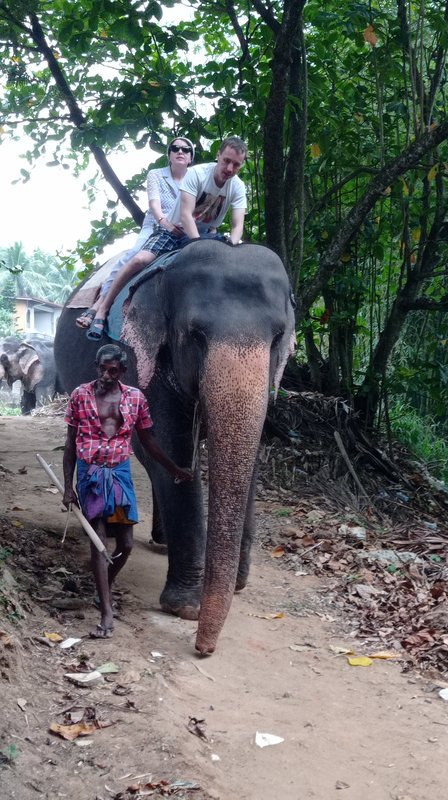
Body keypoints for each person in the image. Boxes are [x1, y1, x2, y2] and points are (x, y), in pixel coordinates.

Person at [62, 343, 192, 638]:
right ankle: (106, 613)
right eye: (101, 368)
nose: (106, 375)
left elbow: (148, 440)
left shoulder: (135, 399)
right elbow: (70, 444)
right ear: (96, 367)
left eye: (112, 370)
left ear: (122, 371)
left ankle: (104, 585)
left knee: (128, 545)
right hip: (91, 475)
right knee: (98, 542)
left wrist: (174, 469)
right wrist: (68, 487)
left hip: (119, 474)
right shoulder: (80, 396)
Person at [86, 136, 247, 339]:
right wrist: (199, 248)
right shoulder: (197, 174)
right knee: (139, 259)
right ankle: (103, 308)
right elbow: (186, 215)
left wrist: (232, 246)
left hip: (206, 236)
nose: (230, 169)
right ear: (218, 156)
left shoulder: (238, 187)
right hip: (176, 231)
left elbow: (237, 224)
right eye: (226, 161)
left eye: (236, 165)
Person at [76, 136, 195, 336]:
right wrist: (165, 223)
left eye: (186, 149)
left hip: (183, 229)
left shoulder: (196, 178)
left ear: (191, 158)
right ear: (169, 155)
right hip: (157, 225)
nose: (180, 152)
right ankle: (101, 304)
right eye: (175, 148)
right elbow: (155, 205)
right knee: (134, 255)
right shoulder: (156, 175)